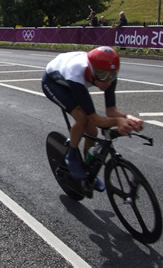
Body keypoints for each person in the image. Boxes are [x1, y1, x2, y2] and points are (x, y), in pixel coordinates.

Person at [41, 46, 143, 191]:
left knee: (93, 133)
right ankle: (72, 155)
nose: (107, 81)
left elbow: (111, 111)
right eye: (102, 75)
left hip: (71, 79)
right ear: (90, 70)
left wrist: (129, 118)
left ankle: (88, 168)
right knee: (83, 119)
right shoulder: (77, 73)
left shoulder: (108, 74)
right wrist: (118, 121)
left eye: (112, 75)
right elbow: (95, 119)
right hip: (53, 82)